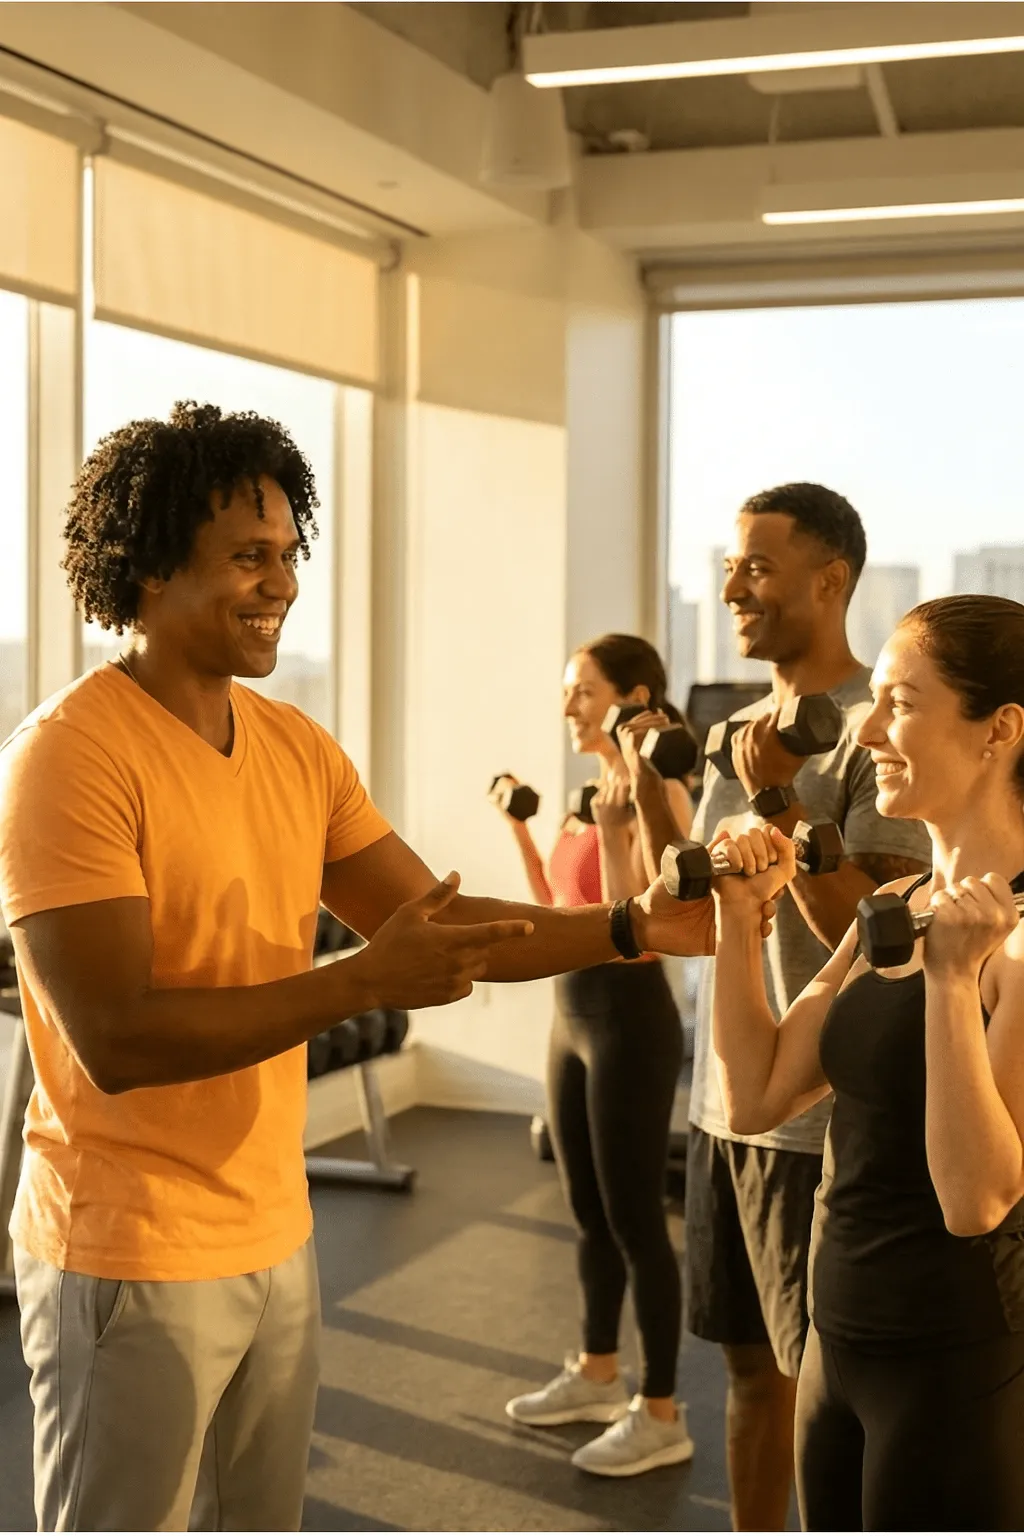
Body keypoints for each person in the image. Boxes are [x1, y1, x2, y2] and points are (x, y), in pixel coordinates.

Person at [0, 402, 753, 1535]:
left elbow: (432, 919)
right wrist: (358, 982)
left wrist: (628, 927)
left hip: (273, 1228)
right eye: (248, 557)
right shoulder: (70, 756)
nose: (283, 583)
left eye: (290, 554)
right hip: (130, 1252)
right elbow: (119, 1038)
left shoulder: (295, 748)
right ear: (150, 568)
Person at [709, 593, 1024, 1532]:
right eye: (872, 701)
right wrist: (736, 920)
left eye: (902, 703)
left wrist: (948, 983)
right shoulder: (898, 902)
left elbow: (978, 1200)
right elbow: (758, 1094)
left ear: (1000, 728)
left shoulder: (1012, 949)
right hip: (832, 1344)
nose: (871, 730)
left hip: (951, 1369)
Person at [681, 484, 931, 1530]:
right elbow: (694, 904)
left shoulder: (876, 738)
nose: (734, 586)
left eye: (756, 566)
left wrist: (781, 802)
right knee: (744, 1372)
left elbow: (877, 945)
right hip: (721, 1101)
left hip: (814, 1120)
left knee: (814, 1387)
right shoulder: (734, 731)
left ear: (829, 581)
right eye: (730, 567)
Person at [495, 636, 695, 1477]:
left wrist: (619, 825)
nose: (568, 706)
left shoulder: (658, 791)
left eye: (581, 691)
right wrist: (519, 830)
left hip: (627, 1018)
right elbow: (555, 905)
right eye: (566, 691)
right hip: (568, 1014)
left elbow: (643, 923)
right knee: (585, 1209)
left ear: (629, 697)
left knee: (637, 1219)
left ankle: (660, 1412)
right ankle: (598, 1373)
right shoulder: (587, 798)